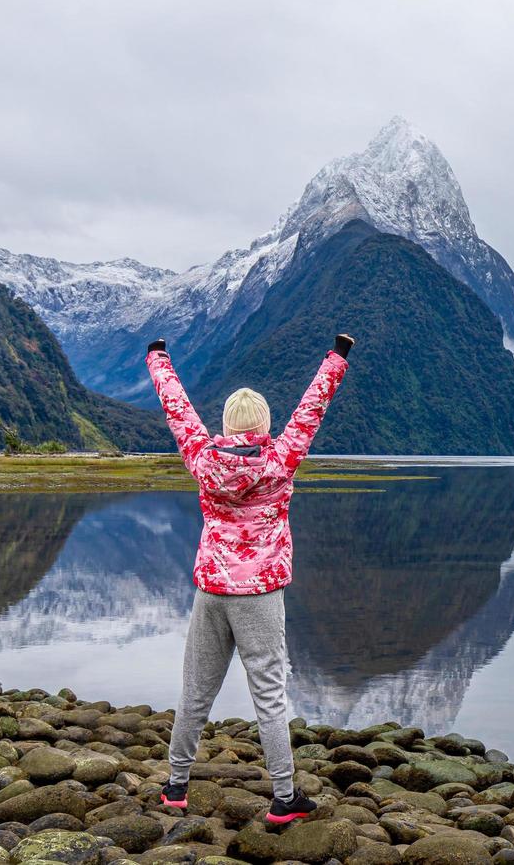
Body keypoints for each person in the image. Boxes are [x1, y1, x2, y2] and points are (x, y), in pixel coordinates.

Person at [144, 333, 354, 824]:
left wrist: (158, 359)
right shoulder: (281, 459)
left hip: (212, 591)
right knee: (269, 694)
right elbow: (311, 408)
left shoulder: (202, 459)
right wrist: (336, 357)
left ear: (224, 426)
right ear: (263, 425)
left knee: (196, 690)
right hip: (259, 594)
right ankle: (283, 797)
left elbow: (176, 407)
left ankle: (175, 787)